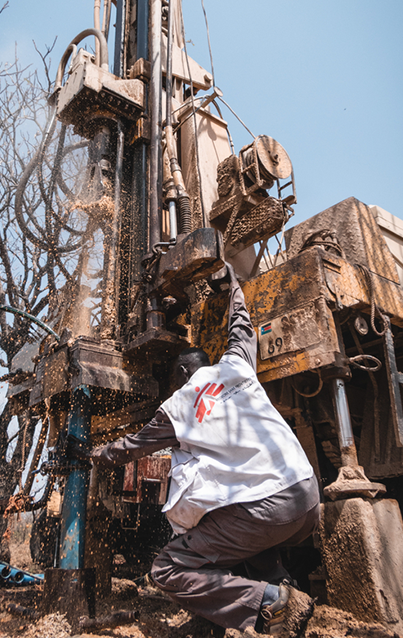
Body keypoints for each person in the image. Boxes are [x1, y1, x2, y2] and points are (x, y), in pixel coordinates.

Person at [74, 262, 318, 637]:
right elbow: (241, 325)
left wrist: (90, 453)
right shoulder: (237, 366)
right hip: (306, 498)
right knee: (229, 515)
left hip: (270, 509)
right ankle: (285, 590)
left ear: (182, 377)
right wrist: (231, 284)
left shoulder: (179, 406)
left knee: (168, 569)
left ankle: (271, 602)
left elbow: (127, 449)